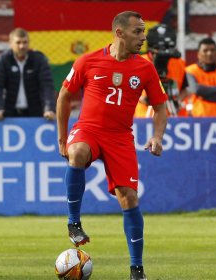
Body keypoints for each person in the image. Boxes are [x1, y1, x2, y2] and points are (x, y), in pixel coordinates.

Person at [56, 11, 167, 280]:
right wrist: (62, 139)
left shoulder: (145, 67)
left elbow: (160, 106)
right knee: (78, 152)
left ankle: (136, 269)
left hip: (120, 137)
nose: (143, 37)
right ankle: (74, 223)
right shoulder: (88, 60)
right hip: (90, 129)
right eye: (137, 32)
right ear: (119, 33)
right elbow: (65, 97)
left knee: (129, 197)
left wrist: (157, 136)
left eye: (144, 32)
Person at [0, 28, 56, 120]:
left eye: (25, 42)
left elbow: (47, 86)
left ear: (29, 43)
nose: (22, 46)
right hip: (8, 114)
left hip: (35, 113)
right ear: (10, 44)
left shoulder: (39, 60)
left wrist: (49, 109)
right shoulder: (2, 60)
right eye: (18, 42)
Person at [134, 24, 188, 117]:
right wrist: (142, 99)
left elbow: (184, 89)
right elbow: (126, 88)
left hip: (171, 115)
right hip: (145, 115)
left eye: (166, 49)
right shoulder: (137, 62)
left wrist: (177, 100)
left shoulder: (179, 62)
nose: (162, 53)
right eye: (158, 49)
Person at [184, 37, 216, 117]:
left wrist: (203, 96)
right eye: (205, 51)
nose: (209, 53)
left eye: (212, 50)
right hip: (198, 118)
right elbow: (196, 89)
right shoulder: (190, 71)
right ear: (198, 54)